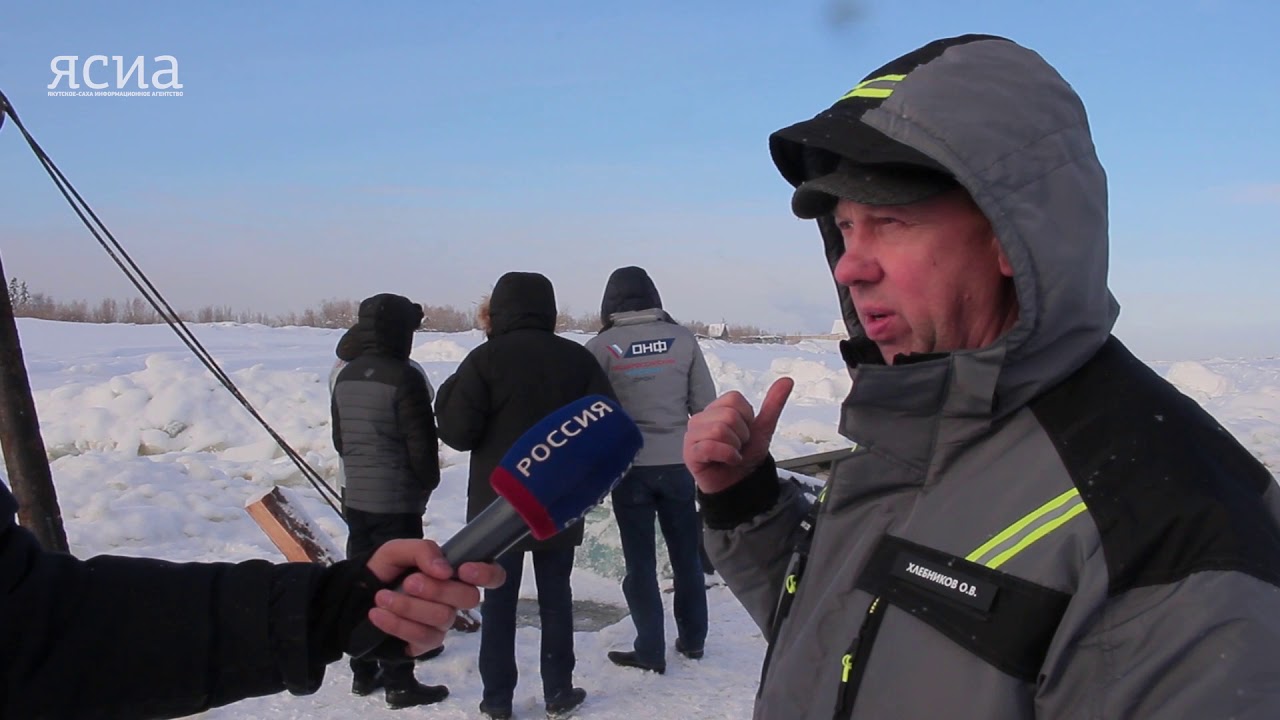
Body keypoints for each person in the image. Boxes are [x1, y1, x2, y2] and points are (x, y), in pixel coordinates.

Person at [684, 34, 1280, 719]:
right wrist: (746, 504)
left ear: (1010, 236)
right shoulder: (921, 432)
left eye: (889, 222)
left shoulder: (1164, 530)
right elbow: (847, 646)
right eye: (845, 228)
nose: (850, 266)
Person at [0, 477, 503, 719]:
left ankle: (373, 674)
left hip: (362, 489)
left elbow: (43, 622)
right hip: (396, 493)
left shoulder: (345, 368)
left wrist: (328, 609)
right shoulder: (405, 373)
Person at [434, 271, 615, 720]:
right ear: (549, 310)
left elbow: (457, 432)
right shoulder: (577, 360)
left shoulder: (484, 360)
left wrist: (448, 394)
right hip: (558, 499)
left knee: (499, 602)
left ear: (496, 311)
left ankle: (497, 699)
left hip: (498, 509)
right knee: (556, 598)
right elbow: (606, 424)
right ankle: (559, 690)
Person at [584, 266, 717, 673]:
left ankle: (650, 649)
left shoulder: (600, 347)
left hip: (630, 467)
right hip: (678, 464)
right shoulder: (683, 340)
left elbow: (592, 413)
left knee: (639, 564)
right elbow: (705, 406)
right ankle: (693, 640)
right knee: (687, 558)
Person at [331, 292, 449, 707]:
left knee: (361, 581)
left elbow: (340, 440)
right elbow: (422, 449)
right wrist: (425, 486)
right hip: (396, 503)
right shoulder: (404, 377)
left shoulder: (346, 375)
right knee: (399, 589)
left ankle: (362, 671)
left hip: (356, 498)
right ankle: (400, 680)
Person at [329, 309, 435, 496]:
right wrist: (428, 478)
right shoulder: (406, 369)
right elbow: (425, 403)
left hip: (353, 477)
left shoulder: (340, 369)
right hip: (395, 480)